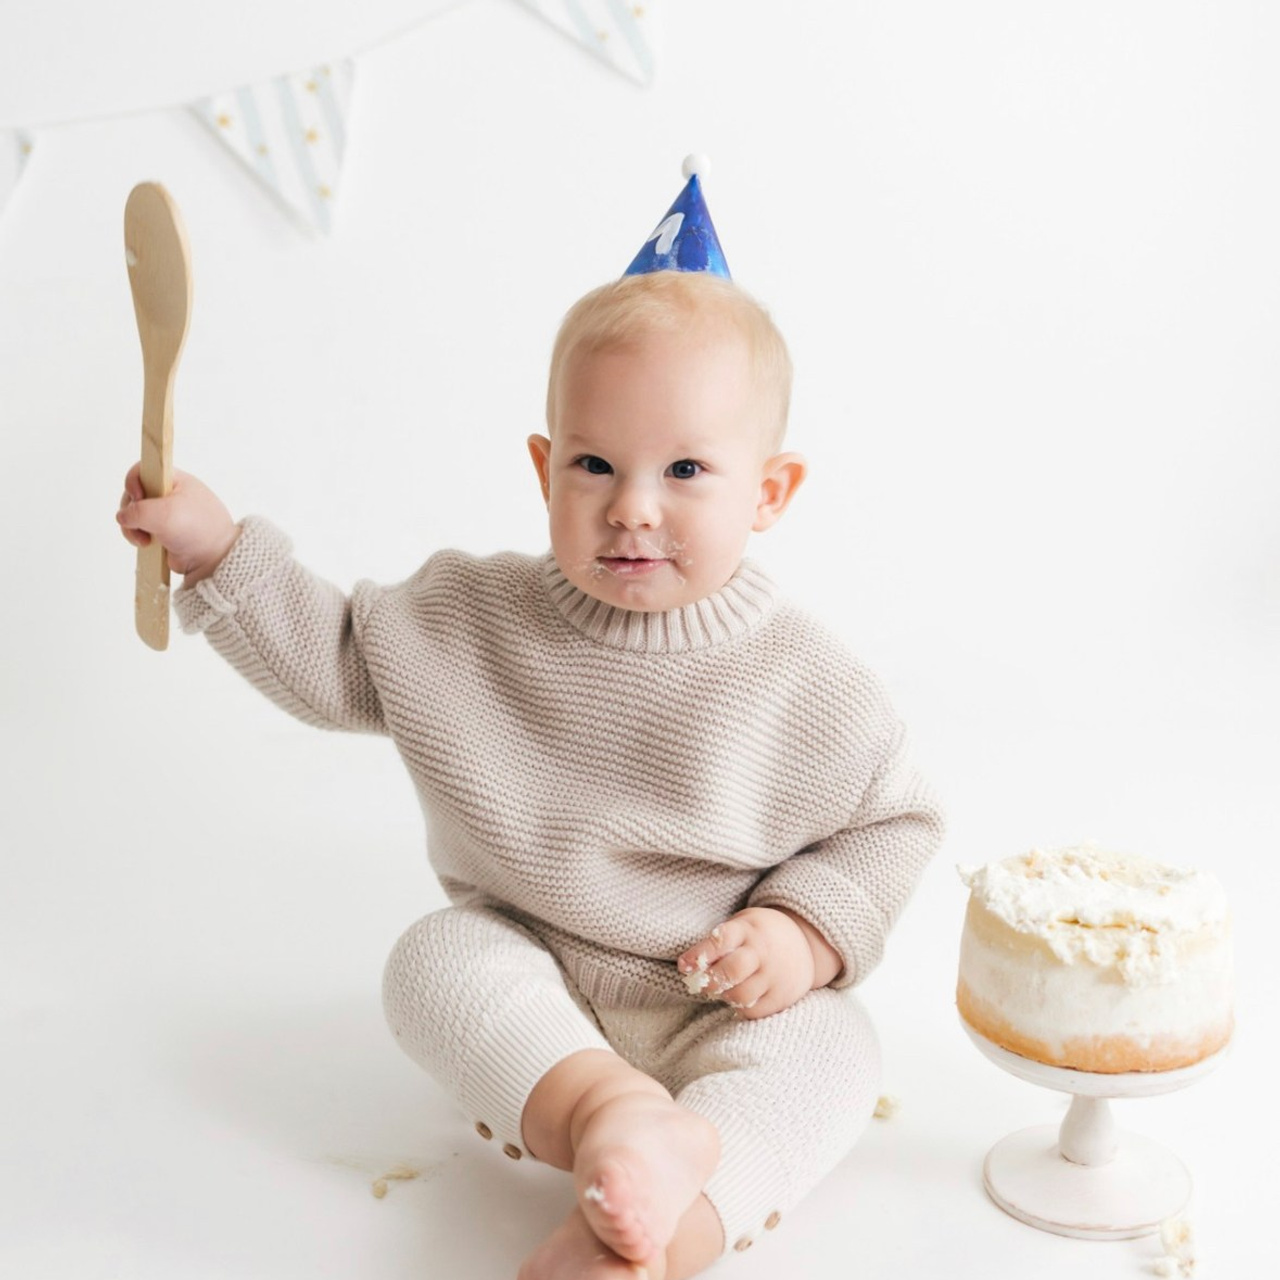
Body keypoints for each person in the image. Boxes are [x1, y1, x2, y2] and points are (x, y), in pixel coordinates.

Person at [115, 162, 945, 1280]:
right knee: (435, 958)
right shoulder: (470, 617)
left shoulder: (808, 685)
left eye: (686, 468)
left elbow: (895, 825)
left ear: (769, 491)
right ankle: (610, 1115)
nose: (631, 505)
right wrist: (219, 552)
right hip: (538, 981)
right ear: (544, 467)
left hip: (718, 1003)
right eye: (594, 463)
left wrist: (799, 932)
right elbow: (334, 660)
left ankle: (655, 1237)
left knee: (833, 1050)